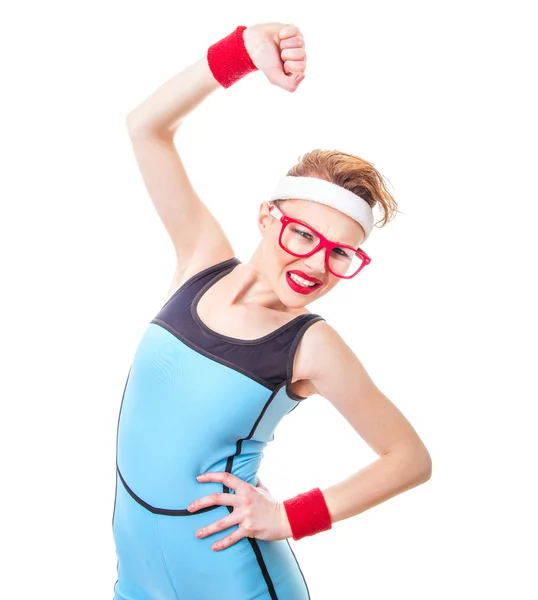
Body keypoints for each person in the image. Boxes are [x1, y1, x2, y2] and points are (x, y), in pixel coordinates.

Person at [112, 21, 432, 600]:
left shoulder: (309, 344)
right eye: (303, 235)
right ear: (266, 218)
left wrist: (288, 518)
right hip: (138, 571)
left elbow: (409, 458)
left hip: (235, 580)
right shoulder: (200, 260)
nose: (317, 263)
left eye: (341, 252)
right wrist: (238, 54)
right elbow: (146, 128)